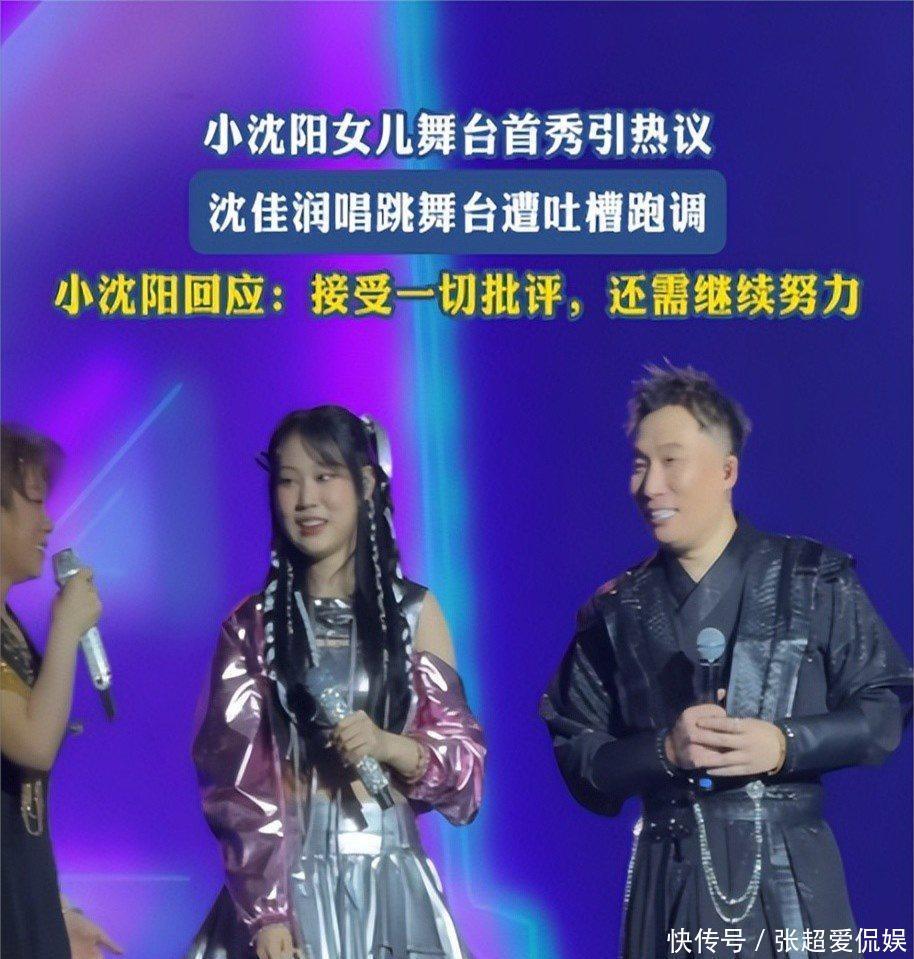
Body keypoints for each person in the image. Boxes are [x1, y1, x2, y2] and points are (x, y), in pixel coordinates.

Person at [540, 365, 912, 959]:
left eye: (671, 462)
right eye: (640, 464)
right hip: (668, 879)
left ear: (727, 471)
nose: (651, 486)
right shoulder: (615, 613)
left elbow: (884, 708)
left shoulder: (811, 578)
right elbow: (578, 752)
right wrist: (664, 751)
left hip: (790, 877)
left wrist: (785, 744)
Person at [187, 406, 485, 959]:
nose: (306, 499)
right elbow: (235, 782)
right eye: (288, 480)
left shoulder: (414, 613)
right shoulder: (251, 626)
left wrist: (389, 745)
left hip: (391, 886)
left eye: (325, 476)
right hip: (286, 894)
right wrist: (268, 913)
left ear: (367, 484)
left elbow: (465, 780)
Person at [1, 424, 123, 959]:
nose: (48, 522)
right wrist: (67, 627)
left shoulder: (9, 628)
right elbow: (33, 744)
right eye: (34, 502)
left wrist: (57, 910)